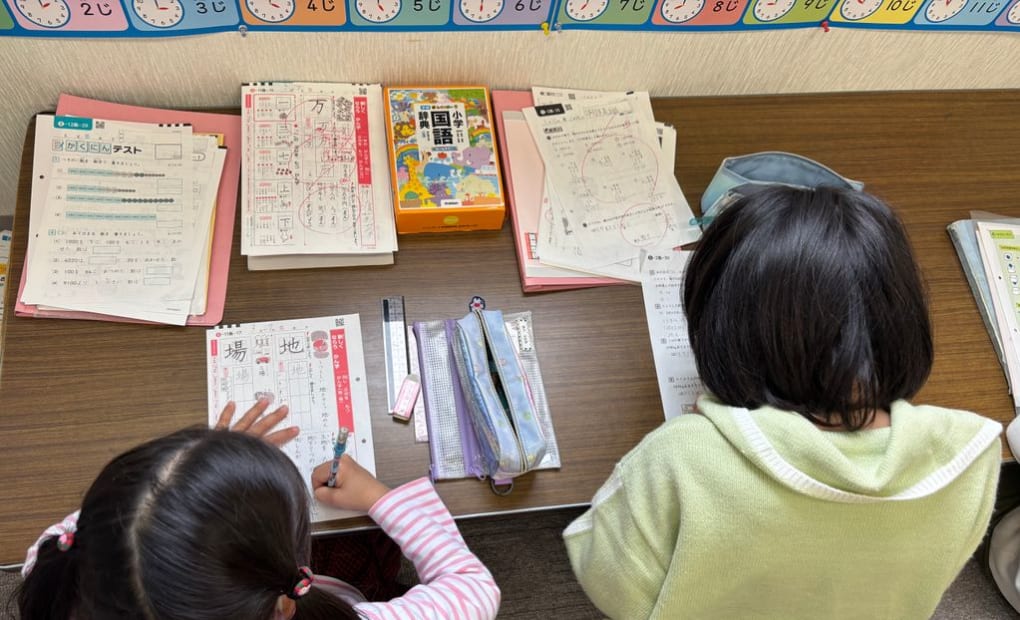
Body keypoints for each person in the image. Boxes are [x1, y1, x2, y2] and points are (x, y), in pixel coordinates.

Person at [563, 185, 1003, 619]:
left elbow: (611, 579)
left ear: (719, 330)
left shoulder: (678, 457)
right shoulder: (970, 455)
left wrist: (707, 436)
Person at [15, 399, 500, 619]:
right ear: (283, 604)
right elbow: (473, 589)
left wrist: (201, 475)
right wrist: (378, 498)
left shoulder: (53, 571)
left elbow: (102, 527)